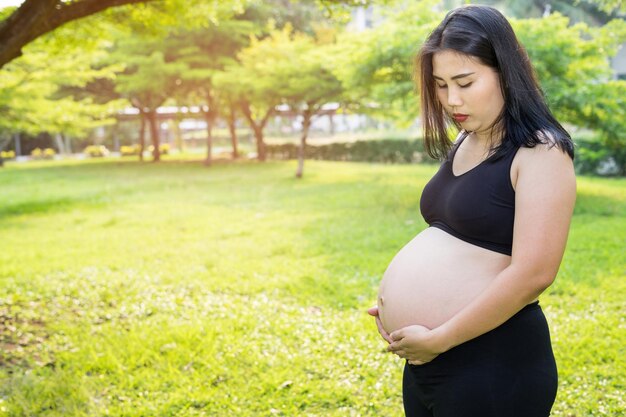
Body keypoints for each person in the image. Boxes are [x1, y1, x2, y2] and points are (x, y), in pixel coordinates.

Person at [367, 5, 576, 417]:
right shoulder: (468, 138)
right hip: (429, 363)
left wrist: (440, 336)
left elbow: (535, 274)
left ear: (505, 72)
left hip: (493, 365)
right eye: (441, 85)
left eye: (465, 82)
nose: (451, 99)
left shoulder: (541, 151)